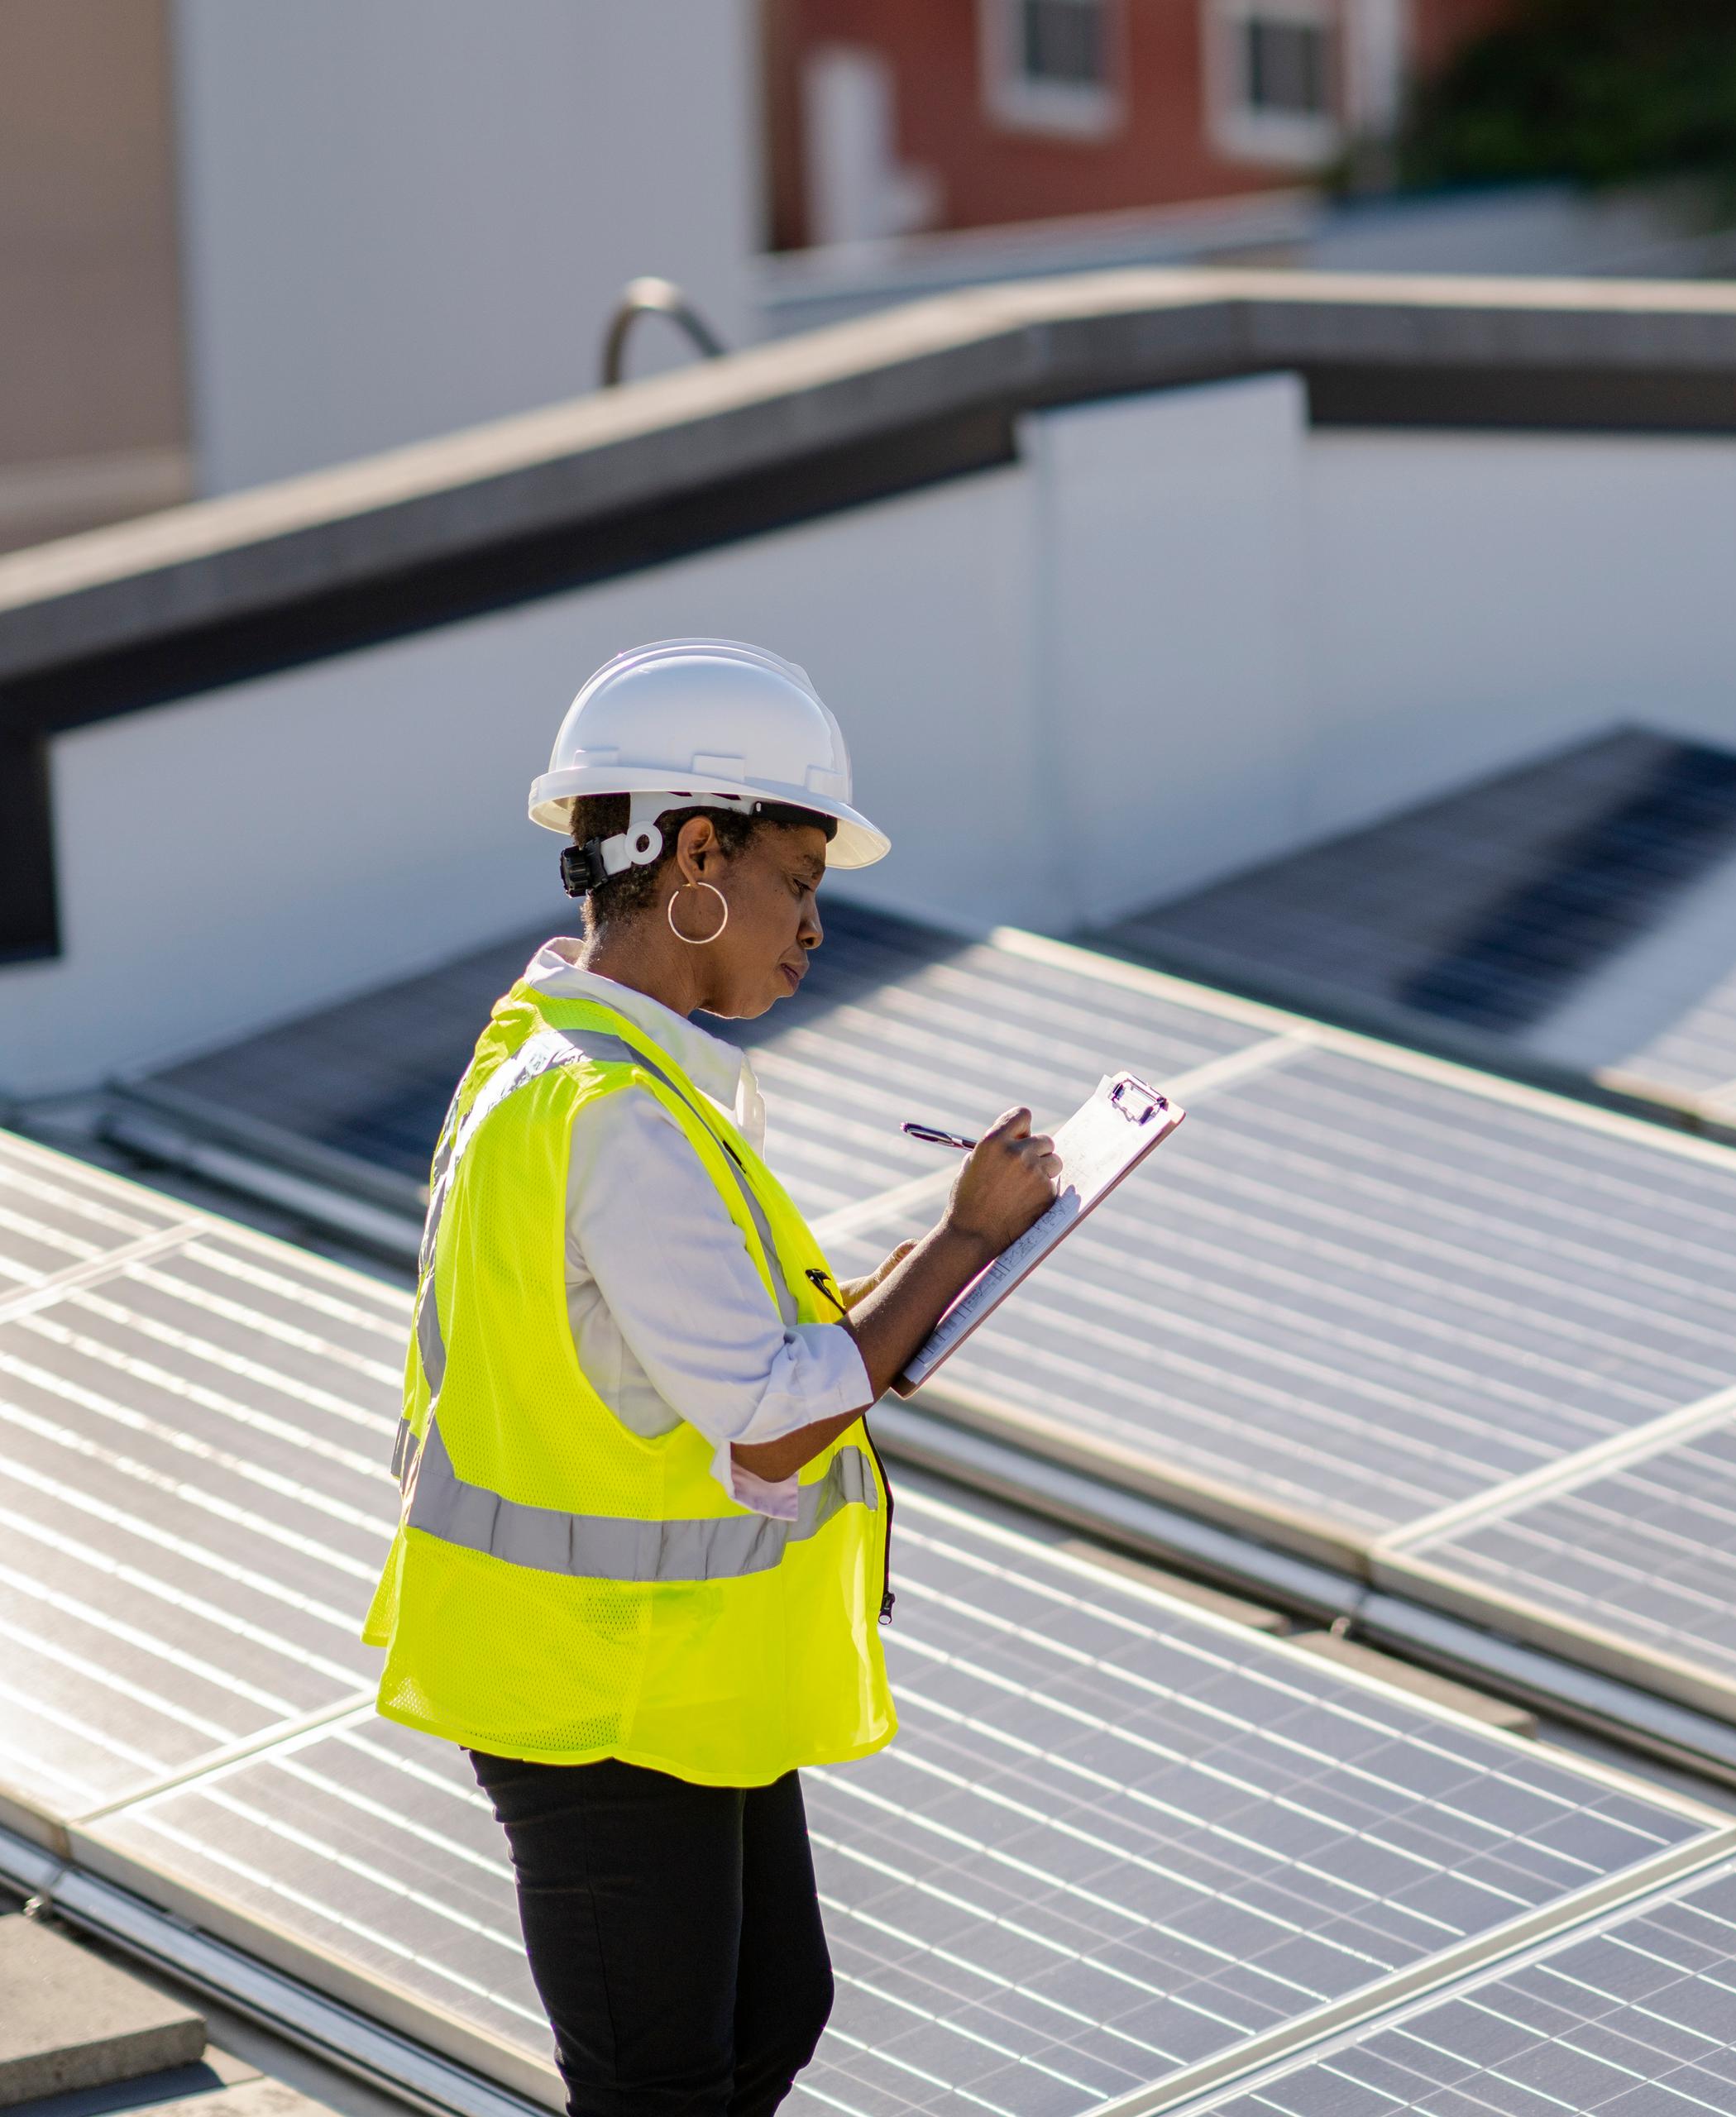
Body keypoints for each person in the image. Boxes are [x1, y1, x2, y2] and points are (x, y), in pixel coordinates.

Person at [361, 639, 1061, 2117]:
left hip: (656, 1675)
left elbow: (756, 1383)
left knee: (765, 2022)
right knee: (666, 2087)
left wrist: (928, 1285)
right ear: (694, 852)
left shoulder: (577, 1065)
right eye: (800, 883)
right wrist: (961, 1239)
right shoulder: (611, 1109)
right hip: (593, 1695)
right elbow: (774, 1419)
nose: (815, 931)